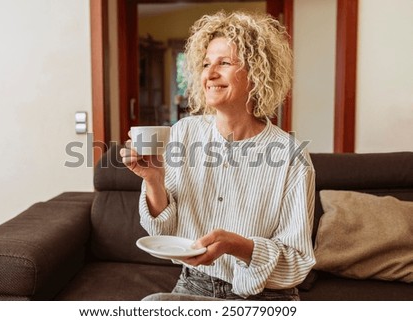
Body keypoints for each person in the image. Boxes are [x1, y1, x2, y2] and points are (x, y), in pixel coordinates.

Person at [120, 11, 315, 301]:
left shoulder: (292, 157)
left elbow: (296, 262)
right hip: (194, 284)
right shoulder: (183, 133)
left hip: (264, 295)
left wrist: (238, 246)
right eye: (206, 63)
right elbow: (165, 231)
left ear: (258, 73)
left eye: (224, 63)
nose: (210, 74)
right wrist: (154, 181)